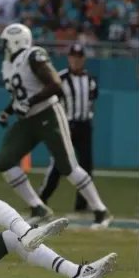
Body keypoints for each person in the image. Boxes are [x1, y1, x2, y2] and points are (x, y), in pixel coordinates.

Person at [0, 23, 112, 228]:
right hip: (27, 120)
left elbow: (55, 85)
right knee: (5, 160)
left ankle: (101, 211)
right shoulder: (8, 66)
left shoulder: (33, 55)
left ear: (15, 41)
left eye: (6, 43)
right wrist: (7, 111)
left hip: (48, 114)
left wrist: (28, 103)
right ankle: (38, 208)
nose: (4, 47)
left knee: (68, 167)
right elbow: (21, 95)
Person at [38, 44, 99, 212]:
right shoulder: (61, 78)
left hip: (84, 125)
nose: (76, 60)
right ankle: (40, 201)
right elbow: (50, 101)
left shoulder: (90, 79)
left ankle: (82, 205)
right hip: (67, 126)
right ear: (69, 58)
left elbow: (92, 101)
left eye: (79, 57)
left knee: (86, 166)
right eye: (73, 57)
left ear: (83, 59)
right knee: (59, 165)